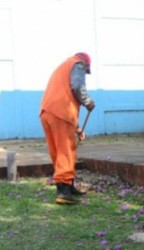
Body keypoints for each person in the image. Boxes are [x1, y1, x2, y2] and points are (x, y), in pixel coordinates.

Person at [39, 52, 96, 204]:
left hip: (47, 112)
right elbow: (77, 86)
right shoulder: (77, 64)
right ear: (85, 63)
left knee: (57, 151)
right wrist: (87, 101)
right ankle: (63, 192)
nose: (84, 72)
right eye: (86, 70)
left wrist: (77, 129)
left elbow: (63, 94)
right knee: (65, 151)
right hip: (61, 112)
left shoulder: (62, 67)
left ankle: (67, 186)